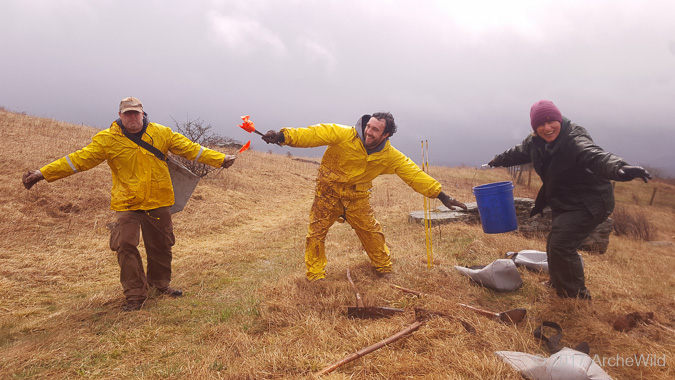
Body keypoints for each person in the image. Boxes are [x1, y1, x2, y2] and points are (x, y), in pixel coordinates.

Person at [22, 97, 237, 311]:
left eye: (136, 113)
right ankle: (135, 295)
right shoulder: (107, 139)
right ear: (120, 116)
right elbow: (77, 160)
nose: (132, 117)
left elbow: (191, 149)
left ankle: (160, 285)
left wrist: (220, 159)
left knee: (161, 246)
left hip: (158, 200)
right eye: (128, 113)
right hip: (127, 203)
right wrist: (43, 173)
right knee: (124, 245)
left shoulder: (162, 133)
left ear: (143, 114)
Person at [262, 112, 467, 281]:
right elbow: (313, 134)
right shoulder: (343, 134)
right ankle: (315, 277)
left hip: (357, 198)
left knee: (372, 233)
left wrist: (441, 195)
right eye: (368, 126)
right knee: (315, 234)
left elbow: (414, 174)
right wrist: (282, 137)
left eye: (375, 129)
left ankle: (384, 269)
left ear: (385, 134)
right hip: (327, 194)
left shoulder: (390, 156)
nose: (368, 131)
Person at [488, 100, 651, 299]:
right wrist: (498, 160)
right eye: (541, 124)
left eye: (551, 122)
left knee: (561, 245)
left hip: (589, 203)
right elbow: (519, 152)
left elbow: (594, 156)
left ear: (559, 119)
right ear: (535, 128)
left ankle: (575, 297)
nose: (547, 128)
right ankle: (559, 283)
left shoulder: (574, 138)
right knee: (554, 243)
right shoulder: (536, 141)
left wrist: (620, 168)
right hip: (565, 202)